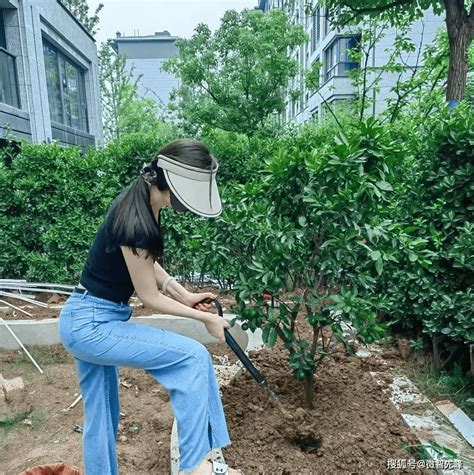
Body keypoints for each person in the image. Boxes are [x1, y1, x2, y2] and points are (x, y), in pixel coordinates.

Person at [58, 139, 241, 475]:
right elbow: (150, 299)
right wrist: (204, 319)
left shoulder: (139, 204)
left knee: (101, 418)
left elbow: (144, 264)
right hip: (93, 324)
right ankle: (196, 466)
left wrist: (183, 295)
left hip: (82, 317)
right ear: (166, 181)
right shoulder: (138, 221)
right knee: (193, 357)